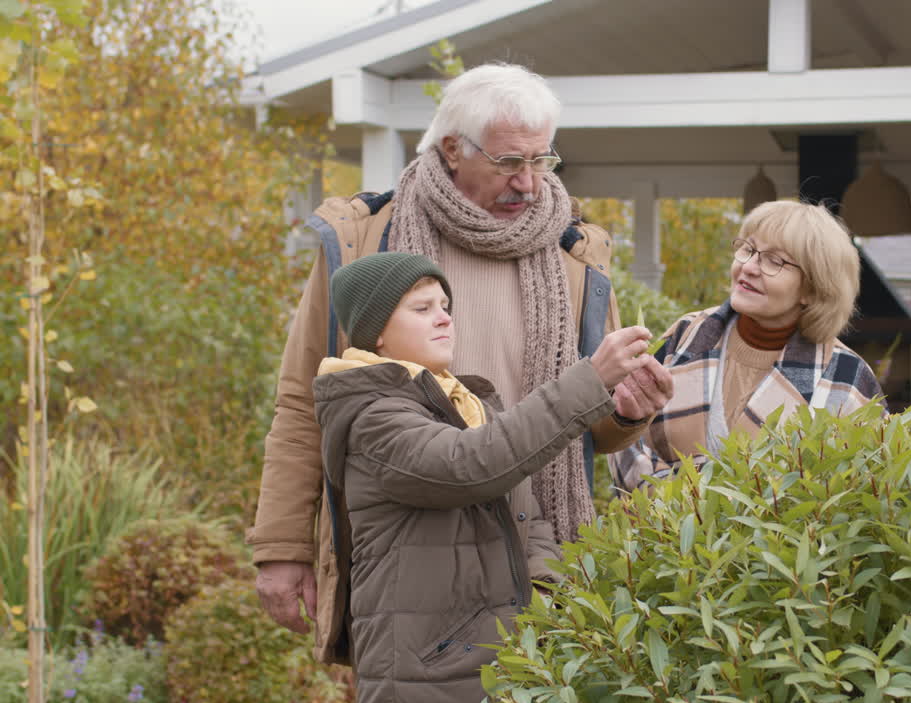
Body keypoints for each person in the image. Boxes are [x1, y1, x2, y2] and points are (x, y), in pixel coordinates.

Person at [248, 62, 674, 664]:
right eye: (508, 163)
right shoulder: (366, 240)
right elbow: (302, 401)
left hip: (541, 551)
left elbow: (583, 419)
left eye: (541, 161)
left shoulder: (576, 256)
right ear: (452, 149)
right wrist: (283, 547)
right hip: (409, 556)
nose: (528, 183)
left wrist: (624, 414)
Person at [315, 253, 650, 703]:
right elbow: (472, 466)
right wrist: (591, 378)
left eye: (445, 305)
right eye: (422, 307)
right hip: (423, 678)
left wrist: (548, 602)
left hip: (494, 664)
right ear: (377, 333)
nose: (444, 317)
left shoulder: (465, 405)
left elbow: (523, 517)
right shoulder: (373, 417)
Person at [610, 200, 884, 492]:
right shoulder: (686, 335)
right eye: (749, 250)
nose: (750, 267)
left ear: (813, 289)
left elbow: (864, 489)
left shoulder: (846, 376)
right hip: (664, 533)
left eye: (775, 261)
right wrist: (678, 506)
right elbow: (626, 434)